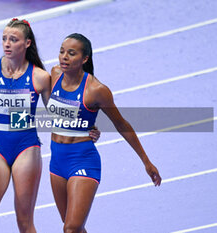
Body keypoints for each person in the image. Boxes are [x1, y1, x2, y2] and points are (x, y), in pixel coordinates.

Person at [0, 19, 100, 232]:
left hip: (26, 148)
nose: (7, 44)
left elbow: (57, 115)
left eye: (13, 39)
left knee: (24, 221)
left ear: (27, 43)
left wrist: (88, 128)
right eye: (4, 39)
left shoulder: (40, 77)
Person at [47, 33, 162, 233]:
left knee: (71, 228)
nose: (64, 57)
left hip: (82, 160)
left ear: (84, 59)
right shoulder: (55, 74)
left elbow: (121, 123)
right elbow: (54, 109)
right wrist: (84, 123)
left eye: (71, 53)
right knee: (75, 229)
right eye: (62, 51)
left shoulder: (96, 90)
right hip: (56, 160)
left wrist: (146, 160)